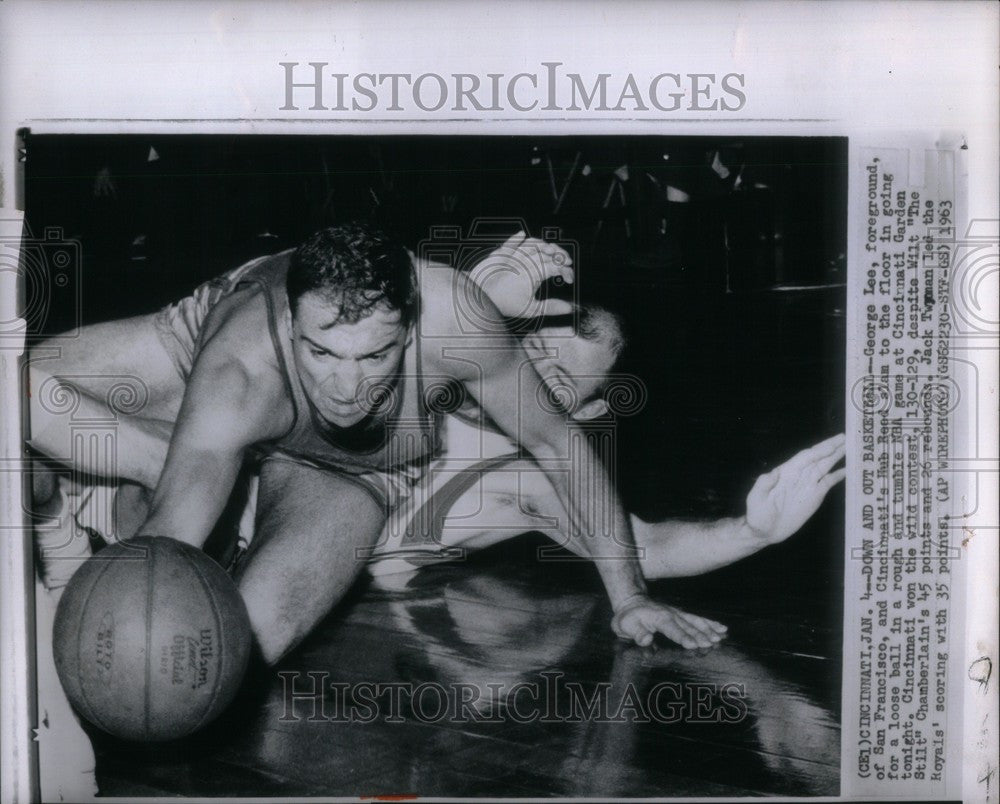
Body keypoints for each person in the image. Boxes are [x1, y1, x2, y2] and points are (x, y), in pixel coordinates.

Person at [29, 224, 725, 661]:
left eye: (374, 358)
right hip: (215, 373)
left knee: (226, 660)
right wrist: (112, 624)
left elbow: (560, 444)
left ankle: (154, 479)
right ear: (294, 325)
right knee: (16, 392)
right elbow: (171, 543)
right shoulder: (239, 367)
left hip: (354, 468)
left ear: (413, 329)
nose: (345, 387)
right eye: (324, 353)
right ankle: (83, 514)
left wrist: (628, 596)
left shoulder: (458, 318)